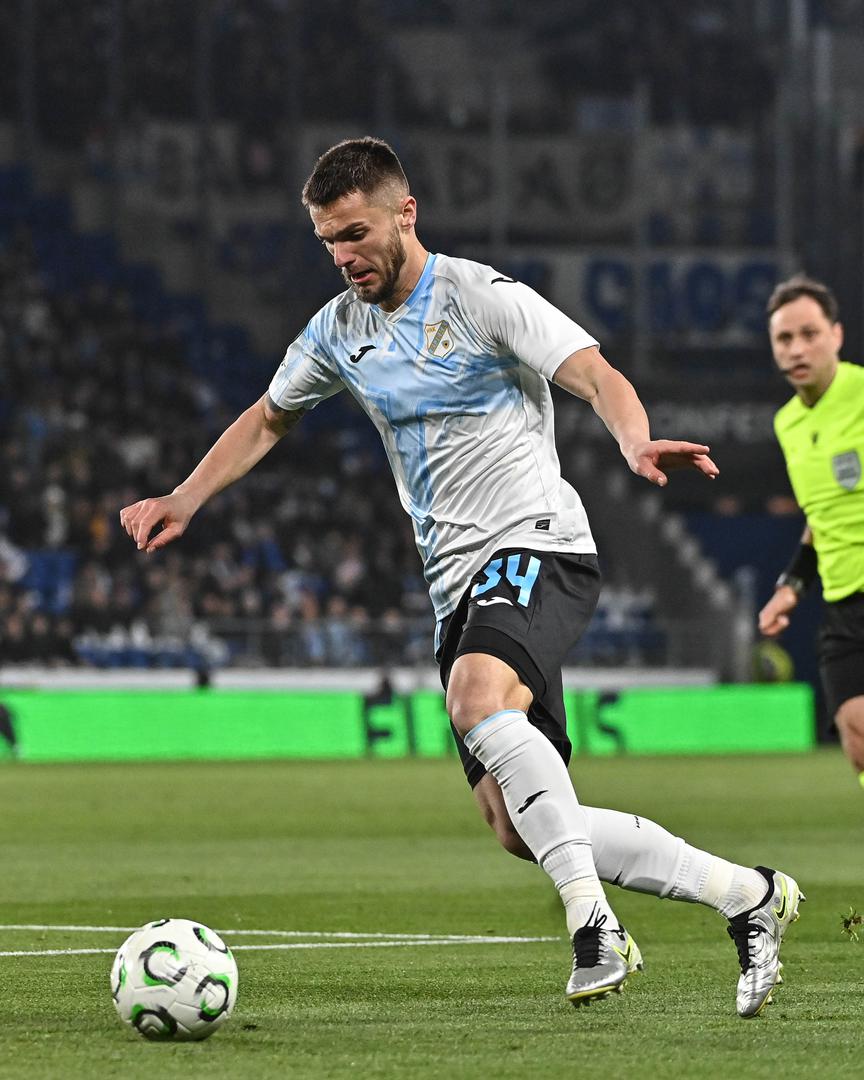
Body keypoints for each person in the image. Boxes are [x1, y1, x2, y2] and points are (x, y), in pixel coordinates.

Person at [120, 136, 802, 1015]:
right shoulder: (338, 331)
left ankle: (594, 926)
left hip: (538, 542)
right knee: (518, 825)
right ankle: (747, 895)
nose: (343, 257)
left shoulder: (480, 297)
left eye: (356, 234)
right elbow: (266, 417)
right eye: (328, 242)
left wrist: (633, 440)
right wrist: (184, 496)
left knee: (477, 698)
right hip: (457, 589)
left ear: (406, 213)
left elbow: (594, 373)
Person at [759, 274, 864, 786]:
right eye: (784, 338)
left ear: (836, 335)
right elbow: (820, 518)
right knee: (857, 737)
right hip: (843, 604)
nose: (797, 349)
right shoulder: (787, 423)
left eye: (809, 334)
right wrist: (791, 586)